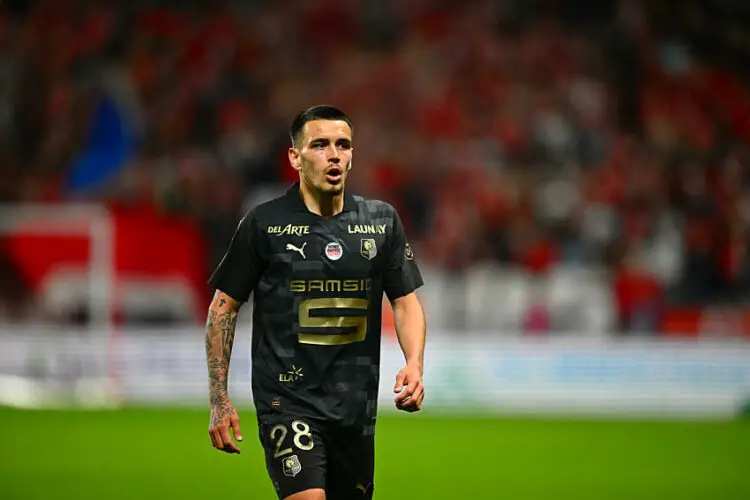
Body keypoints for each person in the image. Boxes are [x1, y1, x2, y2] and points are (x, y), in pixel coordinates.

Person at [204, 104, 427, 500]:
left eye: (343, 145)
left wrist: (414, 364)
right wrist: (219, 399)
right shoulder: (264, 225)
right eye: (320, 145)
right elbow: (223, 308)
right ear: (295, 156)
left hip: (354, 410)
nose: (334, 154)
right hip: (287, 403)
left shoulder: (381, 222)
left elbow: (406, 301)